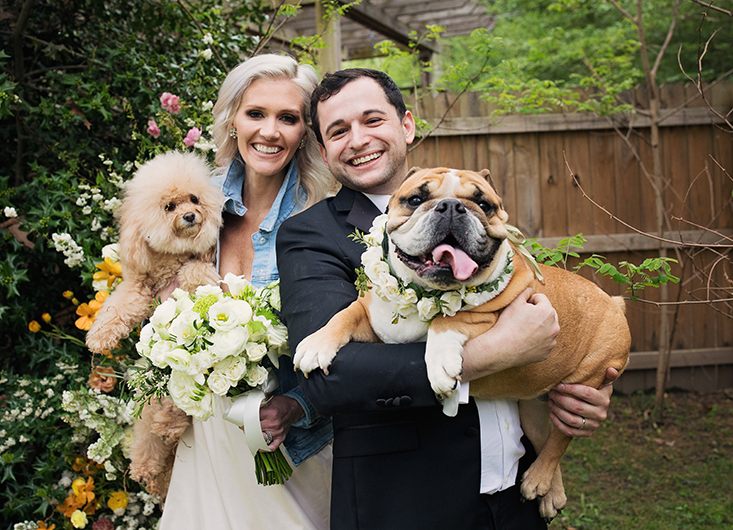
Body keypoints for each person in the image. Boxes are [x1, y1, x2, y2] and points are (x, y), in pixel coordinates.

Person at [276, 68, 618, 529]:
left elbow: (546, 322)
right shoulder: (311, 233)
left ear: (407, 125)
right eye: (339, 130)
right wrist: (491, 354)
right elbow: (328, 377)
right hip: (405, 505)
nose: (358, 139)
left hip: (515, 496)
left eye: (372, 120)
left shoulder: (472, 206)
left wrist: (578, 389)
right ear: (324, 149)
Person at [159, 54, 334, 530]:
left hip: (291, 443)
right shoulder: (196, 198)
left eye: (289, 118)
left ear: (305, 132)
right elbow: (150, 281)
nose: (270, 131)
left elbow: (350, 344)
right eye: (256, 113)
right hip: (206, 432)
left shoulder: (323, 217)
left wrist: (297, 406)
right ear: (233, 119)